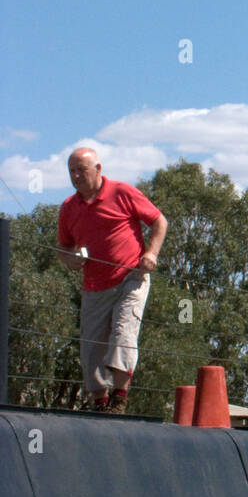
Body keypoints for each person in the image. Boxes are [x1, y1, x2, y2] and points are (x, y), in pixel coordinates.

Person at [57, 147, 168, 415]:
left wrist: (151, 254)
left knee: (123, 332)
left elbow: (159, 221)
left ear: (98, 169)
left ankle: (119, 399)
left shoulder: (122, 192)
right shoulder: (69, 207)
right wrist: (71, 259)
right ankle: (100, 403)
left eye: (81, 170)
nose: (75, 176)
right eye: (71, 171)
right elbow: (63, 247)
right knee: (91, 348)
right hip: (94, 286)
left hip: (131, 278)